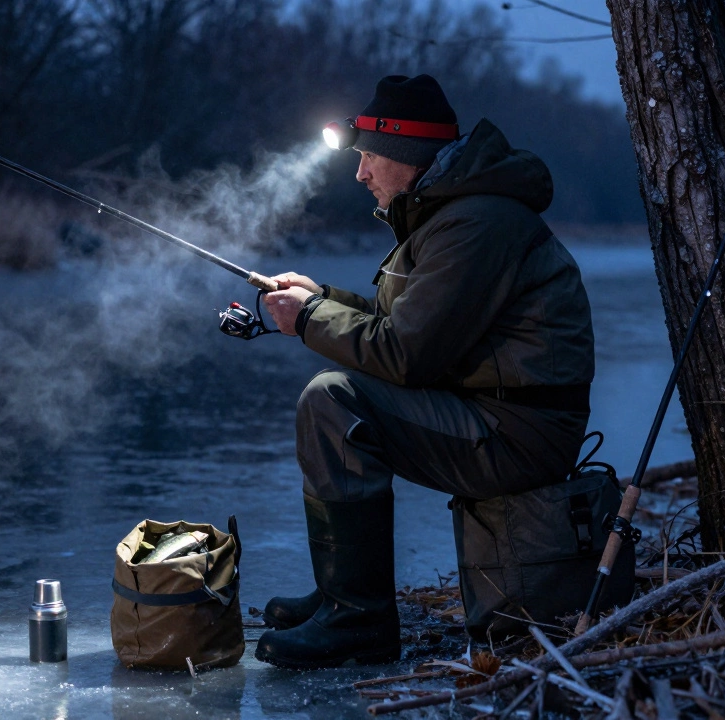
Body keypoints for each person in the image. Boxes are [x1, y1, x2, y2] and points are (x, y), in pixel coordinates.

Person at [255, 74, 595, 669]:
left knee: (333, 400)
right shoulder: (452, 214)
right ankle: (344, 590)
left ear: (409, 158)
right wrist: (321, 295)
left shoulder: (476, 223)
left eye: (369, 158)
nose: (360, 174)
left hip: (516, 433)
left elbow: (405, 355)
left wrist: (309, 318)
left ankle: (359, 621)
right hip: (493, 413)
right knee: (335, 397)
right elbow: (409, 325)